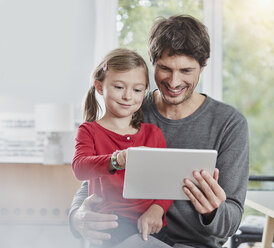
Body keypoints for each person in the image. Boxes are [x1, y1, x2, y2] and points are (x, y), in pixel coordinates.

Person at [69, 15, 249, 248]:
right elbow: (93, 179)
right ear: (152, 61)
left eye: (186, 70)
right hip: (127, 236)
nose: (174, 82)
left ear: (203, 65)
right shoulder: (131, 107)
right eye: (165, 69)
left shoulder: (229, 124)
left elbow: (231, 219)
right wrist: (76, 218)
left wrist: (212, 211)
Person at [71, 48, 173, 247]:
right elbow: (80, 168)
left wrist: (158, 208)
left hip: (151, 223)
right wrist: (116, 159)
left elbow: (166, 182)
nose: (128, 96)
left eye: (137, 90)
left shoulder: (153, 134)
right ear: (100, 87)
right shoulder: (89, 130)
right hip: (112, 223)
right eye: (119, 87)